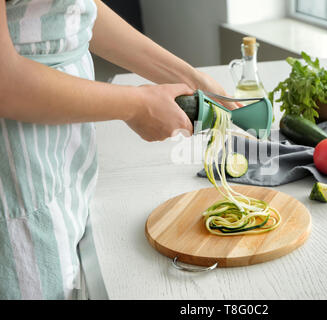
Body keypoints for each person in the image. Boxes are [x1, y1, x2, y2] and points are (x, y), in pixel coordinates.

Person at [0, 0, 236, 299]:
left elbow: (75, 9)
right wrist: (137, 106)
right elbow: (4, 81)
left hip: (61, 145)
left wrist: (189, 76)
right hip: (14, 161)